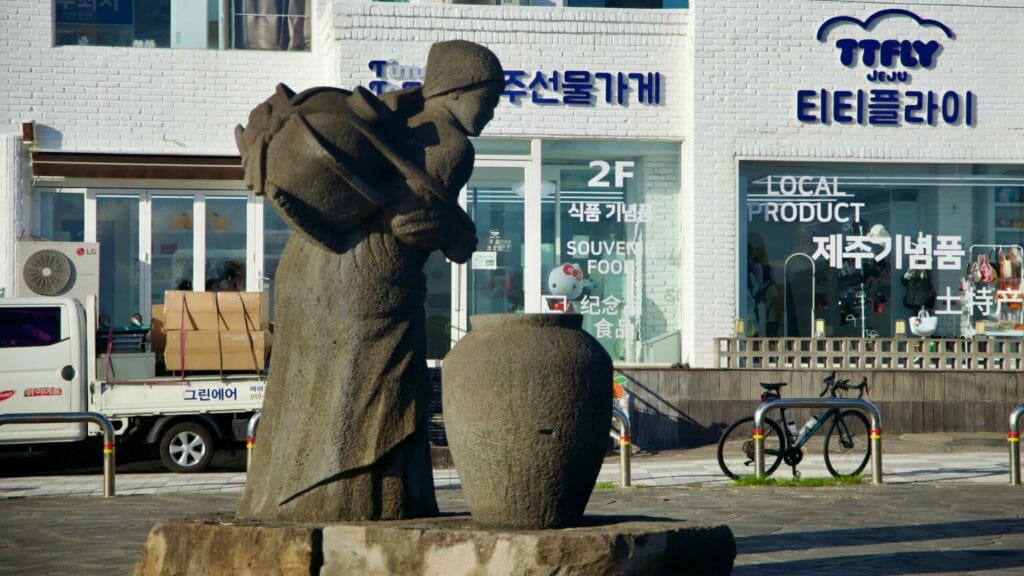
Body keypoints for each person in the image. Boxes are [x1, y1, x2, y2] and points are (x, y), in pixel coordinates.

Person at [236, 40, 504, 522]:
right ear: (461, 90)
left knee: (306, 386)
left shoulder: (395, 118)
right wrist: (458, 235)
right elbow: (410, 221)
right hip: (373, 284)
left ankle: (282, 499)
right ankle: (363, 505)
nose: (491, 112)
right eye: (490, 98)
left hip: (309, 269)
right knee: (373, 395)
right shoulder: (451, 144)